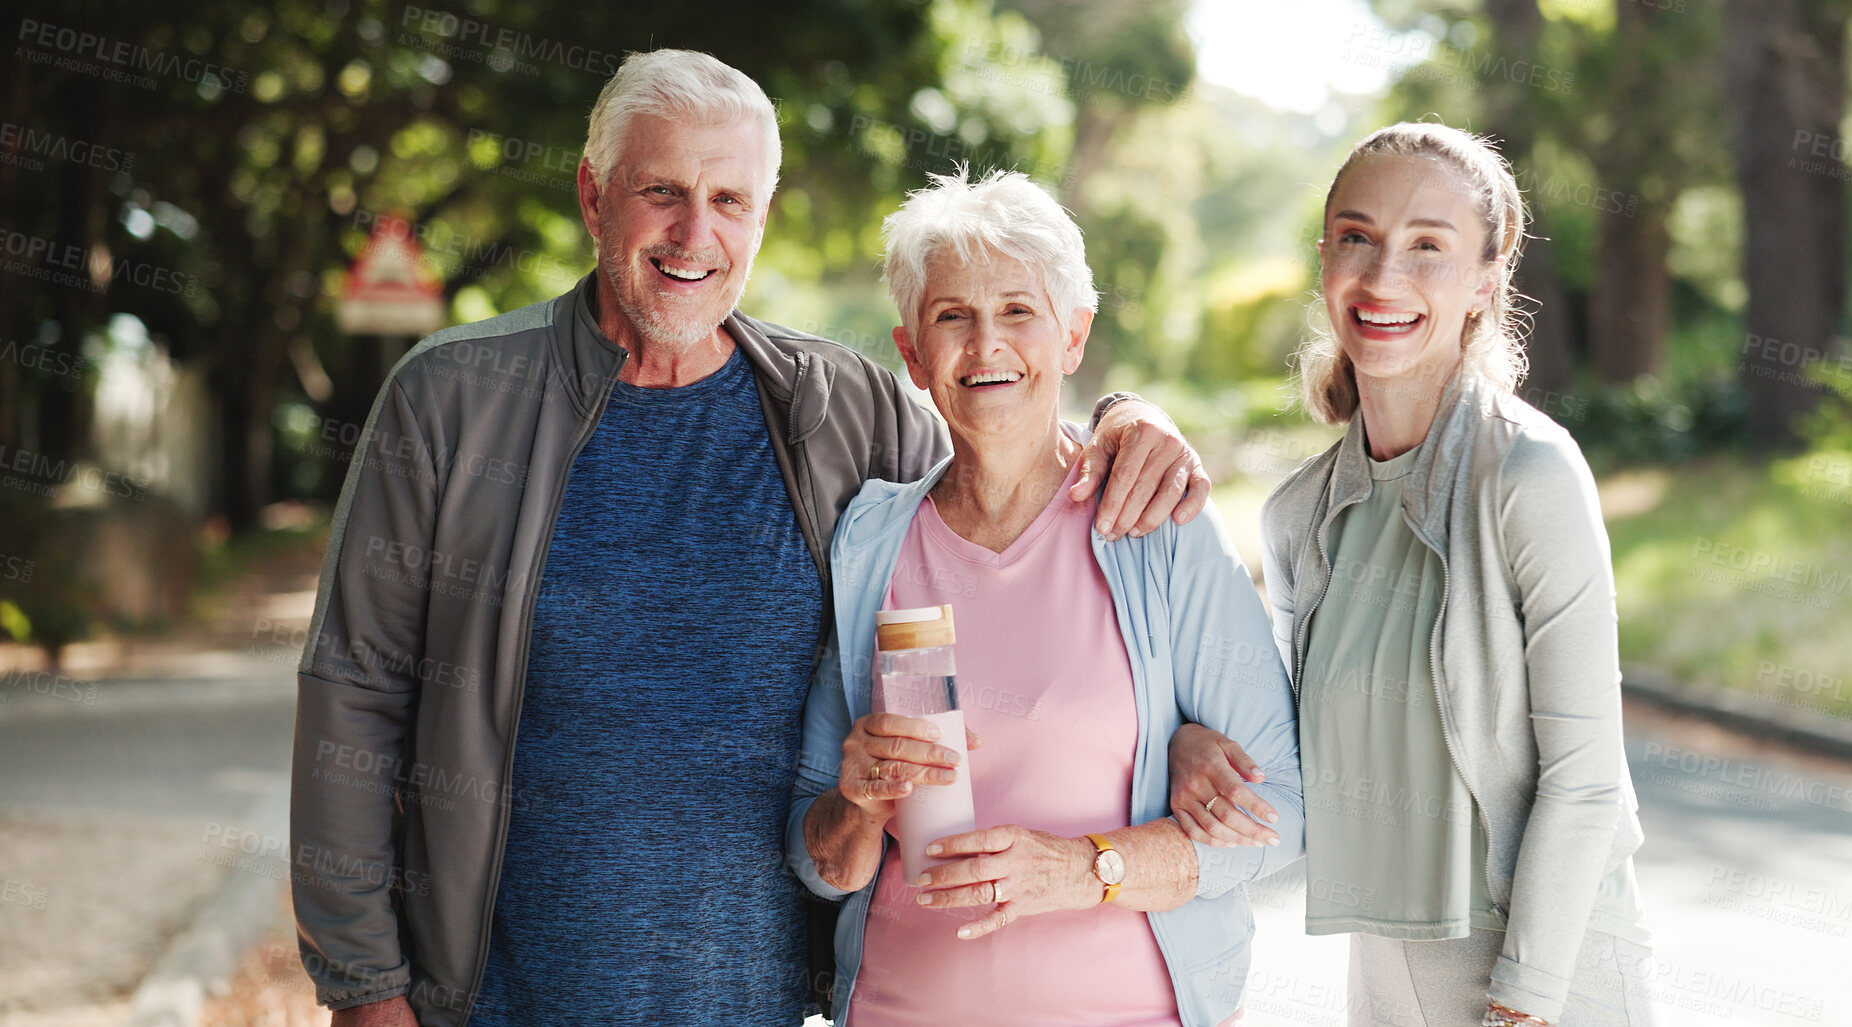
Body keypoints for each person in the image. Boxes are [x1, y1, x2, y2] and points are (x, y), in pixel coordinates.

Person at [291, 50, 1213, 1027]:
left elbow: (1015, 466)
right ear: (593, 195)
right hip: (497, 999)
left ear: (761, 218)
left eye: (731, 200)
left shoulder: (844, 410)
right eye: (663, 193)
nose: (697, 234)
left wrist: (1126, 418)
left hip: (763, 1006)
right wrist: (364, 990)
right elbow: (353, 695)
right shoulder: (453, 403)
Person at [787, 169, 1305, 1027]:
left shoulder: (1155, 523)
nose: (986, 344)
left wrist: (1083, 868)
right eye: (952, 316)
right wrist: (860, 801)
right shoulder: (870, 538)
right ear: (912, 354)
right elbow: (817, 860)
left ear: (1072, 335)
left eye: (1018, 311)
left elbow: (1280, 809)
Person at [1176, 122, 1657, 1026]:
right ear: (1325, 261)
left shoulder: (1528, 475)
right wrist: (1193, 745)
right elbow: (1289, 754)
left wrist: (1522, 1004)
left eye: (1427, 247)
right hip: (1383, 977)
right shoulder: (1298, 513)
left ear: (1485, 279)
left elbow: (1586, 780)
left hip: (1550, 978)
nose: (1383, 276)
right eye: (1356, 238)